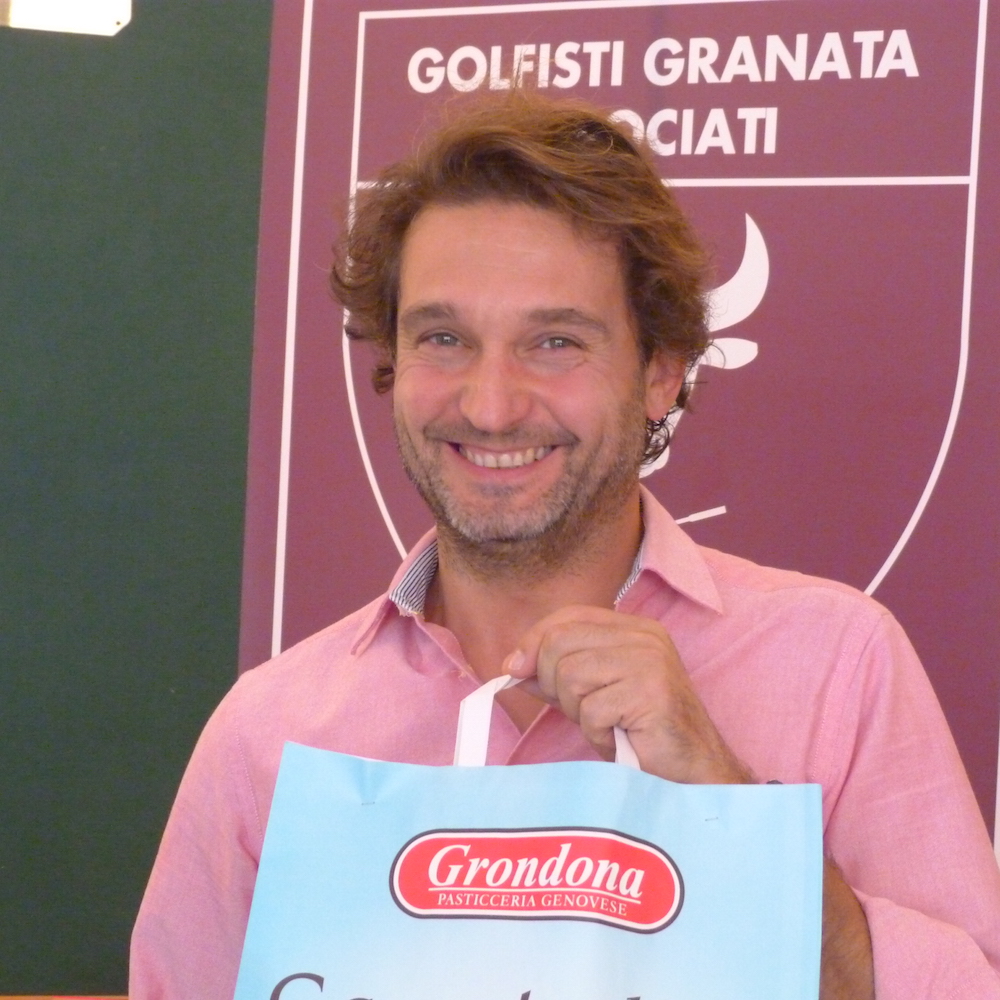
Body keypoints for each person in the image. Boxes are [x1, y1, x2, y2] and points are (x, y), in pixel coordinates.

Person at [130, 94, 1000, 999]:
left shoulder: (838, 667)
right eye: (443, 338)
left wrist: (728, 805)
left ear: (661, 372)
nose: (491, 405)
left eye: (554, 342)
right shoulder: (268, 736)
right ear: (391, 359)